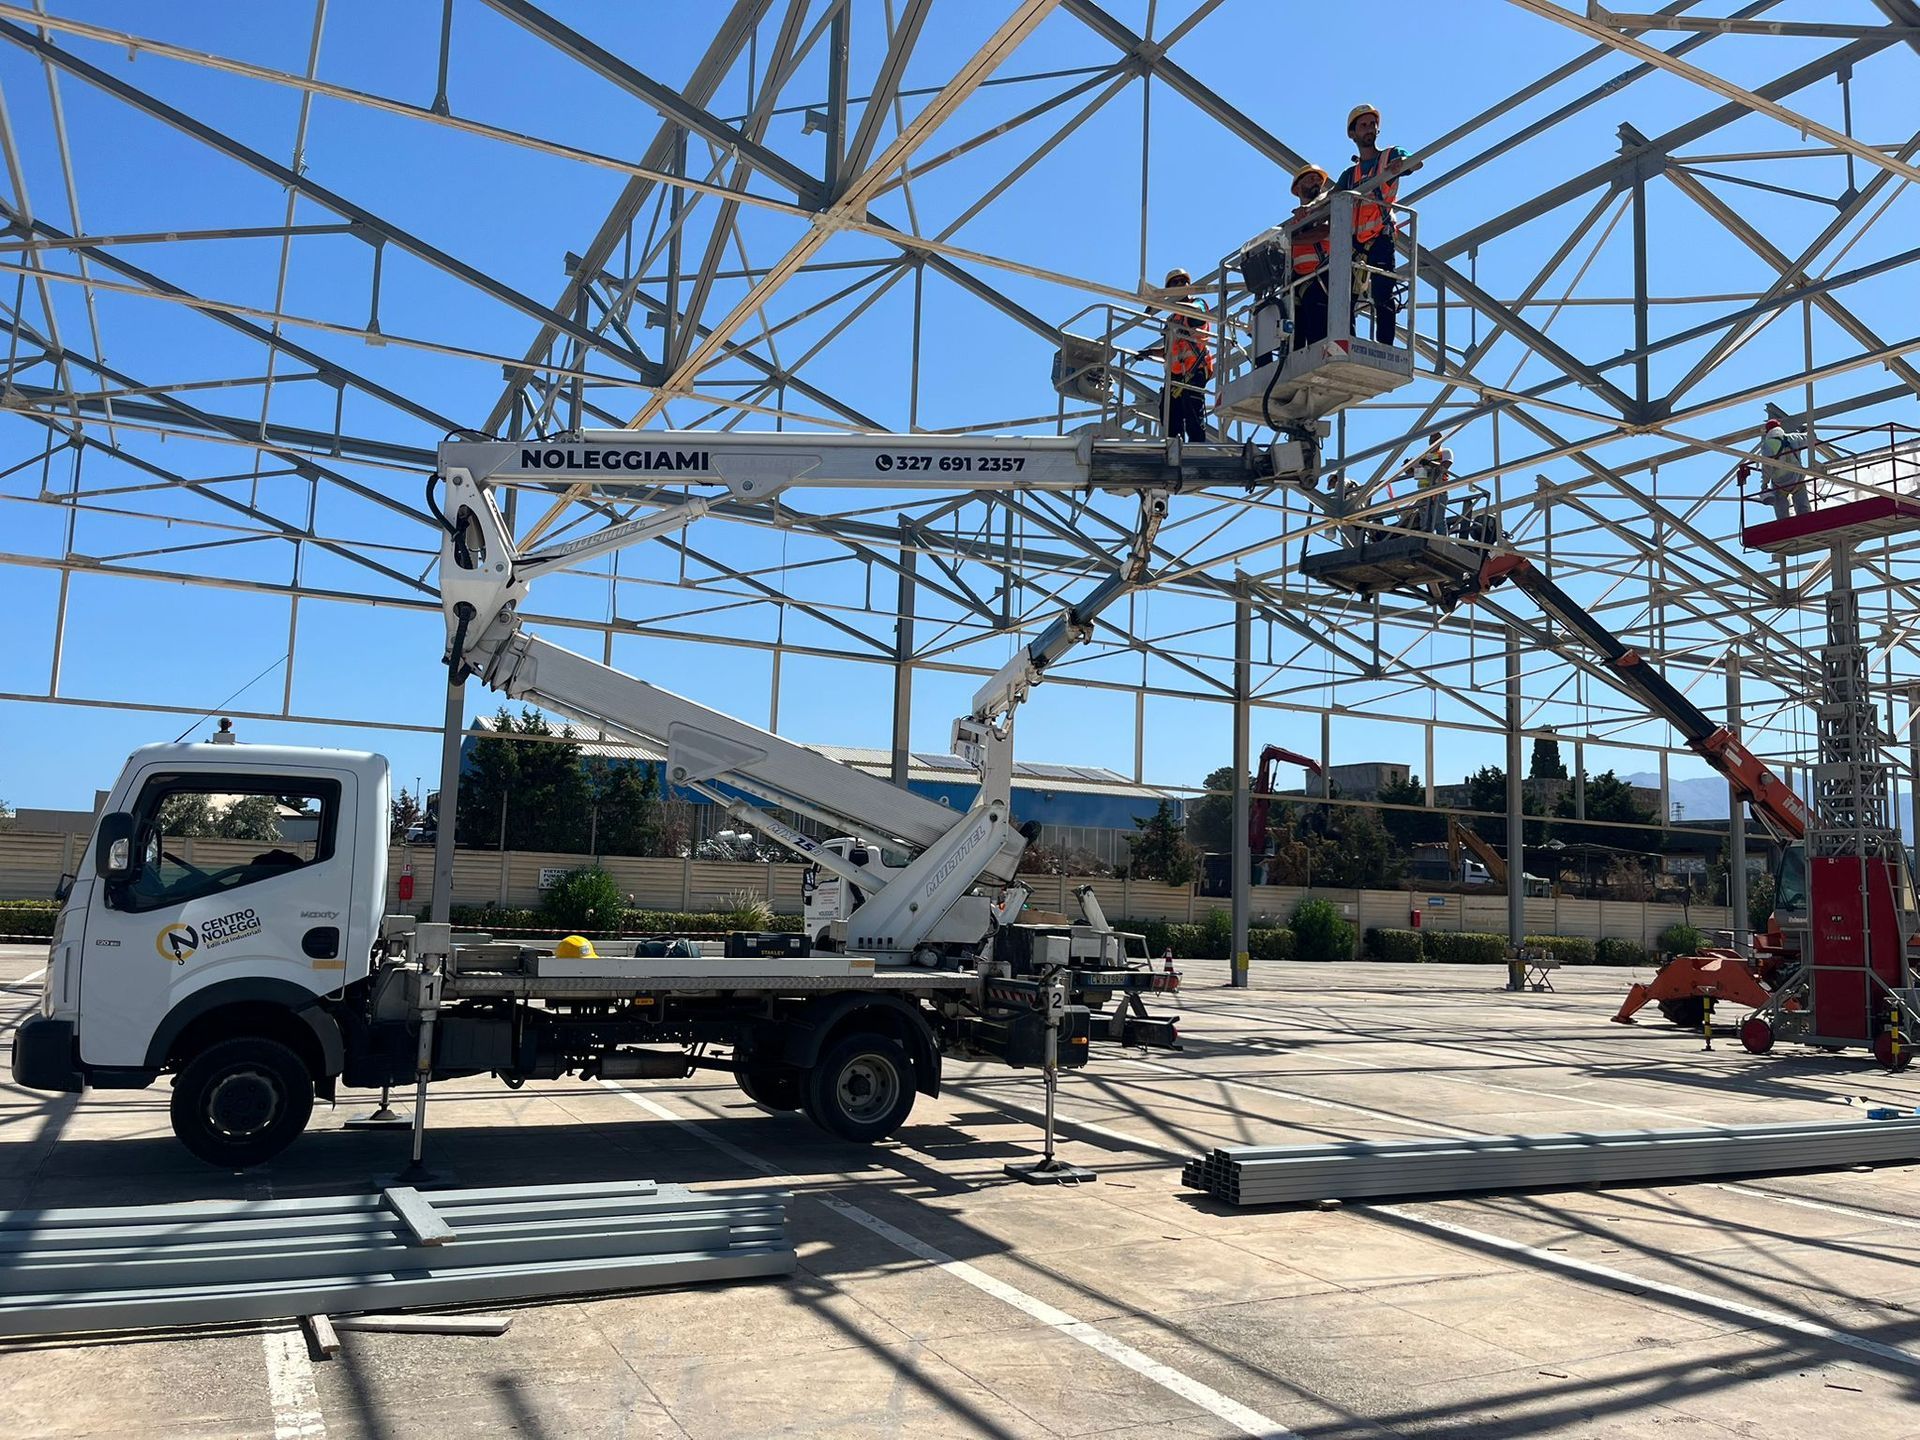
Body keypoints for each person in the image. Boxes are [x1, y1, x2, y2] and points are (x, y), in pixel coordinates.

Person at [1335, 104, 1411, 346]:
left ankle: (1385, 347)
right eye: (1363, 125)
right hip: (1357, 242)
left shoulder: (1388, 156)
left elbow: (1413, 162)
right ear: (1352, 134)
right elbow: (1330, 200)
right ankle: (1350, 343)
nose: (1369, 129)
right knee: (1347, 297)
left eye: (1372, 124)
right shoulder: (1350, 175)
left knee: (1382, 294)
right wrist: (1309, 209)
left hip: (1381, 236)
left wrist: (1402, 164)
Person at [1141, 266, 1212, 443]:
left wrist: (1162, 302)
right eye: (1176, 283)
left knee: (1193, 414)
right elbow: (1170, 351)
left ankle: (1197, 450)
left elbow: (1197, 314)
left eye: (1183, 282)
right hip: (1175, 377)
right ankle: (1173, 448)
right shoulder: (1172, 320)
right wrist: (1150, 353)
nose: (1180, 284)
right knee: (1169, 415)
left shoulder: (1197, 304)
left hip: (1194, 371)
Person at [1287, 165, 1333, 349]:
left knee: (1319, 334)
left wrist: (1290, 241)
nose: (1316, 183)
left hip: (1323, 276)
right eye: (1310, 179)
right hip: (1301, 282)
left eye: (1318, 180)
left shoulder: (1326, 209)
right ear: (1297, 188)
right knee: (1297, 336)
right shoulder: (1292, 222)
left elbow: (1324, 230)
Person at [1738, 417, 1811, 519]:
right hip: (1797, 478)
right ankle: (1806, 519)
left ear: (1768, 432)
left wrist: (1764, 483)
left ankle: (1784, 524)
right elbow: (1811, 438)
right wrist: (1806, 431)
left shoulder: (1768, 445)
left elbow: (1767, 466)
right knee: (1803, 506)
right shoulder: (1793, 437)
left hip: (1780, 482)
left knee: (1781, 509)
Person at [1396, 430, 1454, 531]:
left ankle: (1442, 543)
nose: (1433, 440)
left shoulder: (1445, 452)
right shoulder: (1423, 457)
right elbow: (1412, 474)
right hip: (1424, 493)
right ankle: (1427, 542)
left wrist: (1428, 463)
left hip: (1438, 490)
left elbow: (1444, 467)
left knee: (1438, 521)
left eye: (1436, 438)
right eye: (1431, 438)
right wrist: (1408, 466)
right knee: (1425, 522)